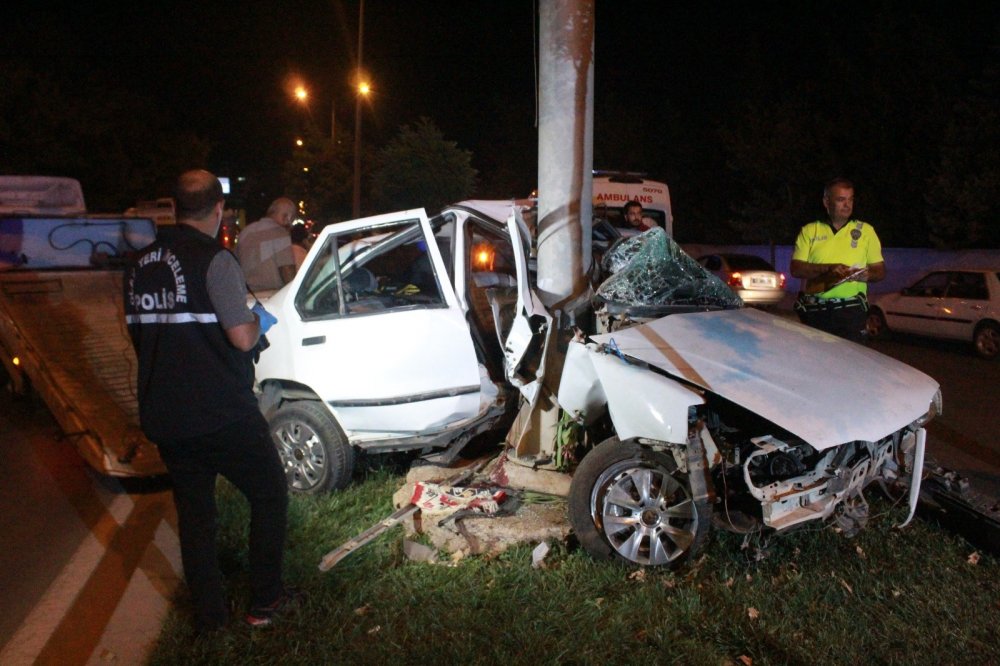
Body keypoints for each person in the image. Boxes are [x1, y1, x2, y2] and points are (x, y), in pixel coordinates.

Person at [123, 169, 293, 631]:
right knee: (269, 494)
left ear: (174, 207)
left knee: (196, 517)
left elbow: (141, 335)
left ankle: (211, 617)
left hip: (167, 414)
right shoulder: (214, 261)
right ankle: (265, 602)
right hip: (221, 412)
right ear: (220, 210)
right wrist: (259, 322)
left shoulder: (138, 265)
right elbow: (241, 339)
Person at [790, 178, 885, 342]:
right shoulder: (810, 230)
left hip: (851, 312)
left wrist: (862, 275)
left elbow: (880, 271)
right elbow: (796, 269)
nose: (847, 205)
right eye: (841, 200)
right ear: (826, 202)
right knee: (818, 362)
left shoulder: (866, 231)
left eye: (851, 199)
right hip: (816, 311)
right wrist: (827, 268)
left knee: (851, 363)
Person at [236, 197, 297, 291]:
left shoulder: (245, 232)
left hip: (247, 295)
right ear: (286, 217)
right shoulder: (280, 233)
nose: (290, 225)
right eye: (291, 220)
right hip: (271, 296)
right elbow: (288, 273)